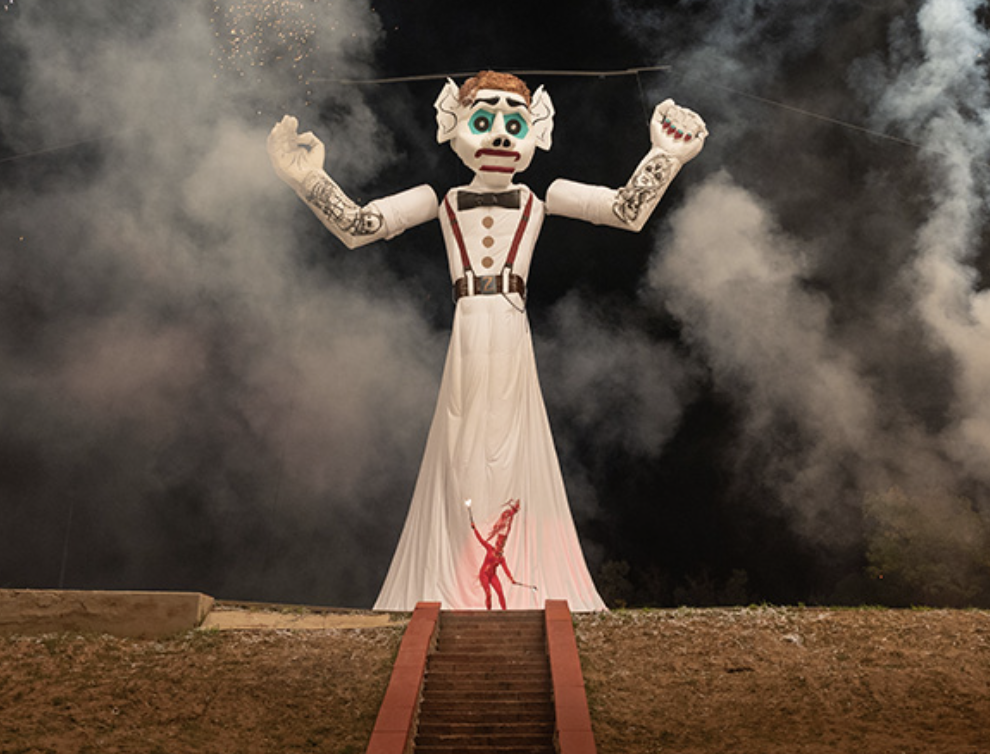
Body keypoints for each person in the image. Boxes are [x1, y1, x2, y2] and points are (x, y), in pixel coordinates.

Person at [268, 71, 707, 611]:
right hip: (471, 328)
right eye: (483, 121)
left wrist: (664, 155)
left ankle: (511, 568)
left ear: (536, 131)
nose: (499, 137)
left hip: (508, 323)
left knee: (511, 436)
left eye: (513, 124)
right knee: (461, 441)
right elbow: (360, 225)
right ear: (451, 124)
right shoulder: (441, 200)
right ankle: (462, 566)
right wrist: (307, 180)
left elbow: (625, 211)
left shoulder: (545, 197)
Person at [472, 499, 521, 610]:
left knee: (500, 592)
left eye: (501, 544)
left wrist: (511, 578)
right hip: (484, 574)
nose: (498, 544)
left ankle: (505, 613)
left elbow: (506, 569)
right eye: (498, 543)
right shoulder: (490, 549)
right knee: (489, 594)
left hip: (492, 575)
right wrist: (474, 528)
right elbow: (481, 540)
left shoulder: (501, 558)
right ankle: (489, 614)